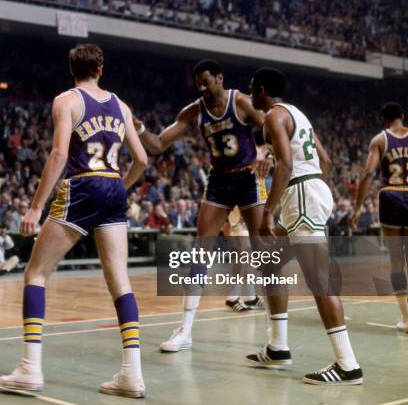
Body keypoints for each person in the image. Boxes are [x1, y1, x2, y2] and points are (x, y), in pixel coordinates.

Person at [0, 44, 148, 398]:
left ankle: (30, 369)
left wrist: (36, 207)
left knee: (35, 273)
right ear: (101, 68)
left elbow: (59, 154)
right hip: (113, 188)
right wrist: (118, 187)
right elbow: (141, 158)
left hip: (82, 187)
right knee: (121, 283)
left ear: (71, 69)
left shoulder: (66, 101)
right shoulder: (121, 106)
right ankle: (132, 374)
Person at [134, 59, 270, 351]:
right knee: (200, 250)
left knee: (262, 247)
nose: (202, 87)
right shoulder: (194, 111)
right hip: (219, 180)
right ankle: (185, 330)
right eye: (198, 82)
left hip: (247, 178)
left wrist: (267, 152)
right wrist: (140, 128)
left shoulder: (242, 102)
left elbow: (272, 126)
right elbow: (158, 144)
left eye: (206, 81)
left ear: (220, 78)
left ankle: (277, 332)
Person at [246, 67, 363, 385]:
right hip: (308, 192)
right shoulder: (298, 114)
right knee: (269, 263)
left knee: (319, 280)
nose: (249, 91)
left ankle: (347, 364)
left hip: (300, 195)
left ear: (262, 91)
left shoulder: (273, 116)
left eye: (252, 88)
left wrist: (269, 211)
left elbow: (285, 164)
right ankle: (278, 347)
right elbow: (324, 161)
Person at [351, 102, 408, 332]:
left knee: (396, 262)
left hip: (391, 197)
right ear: (402, 116)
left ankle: (406, 319)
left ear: (383, 120)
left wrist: (357, 208)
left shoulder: (379, 140)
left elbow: (367, 174)